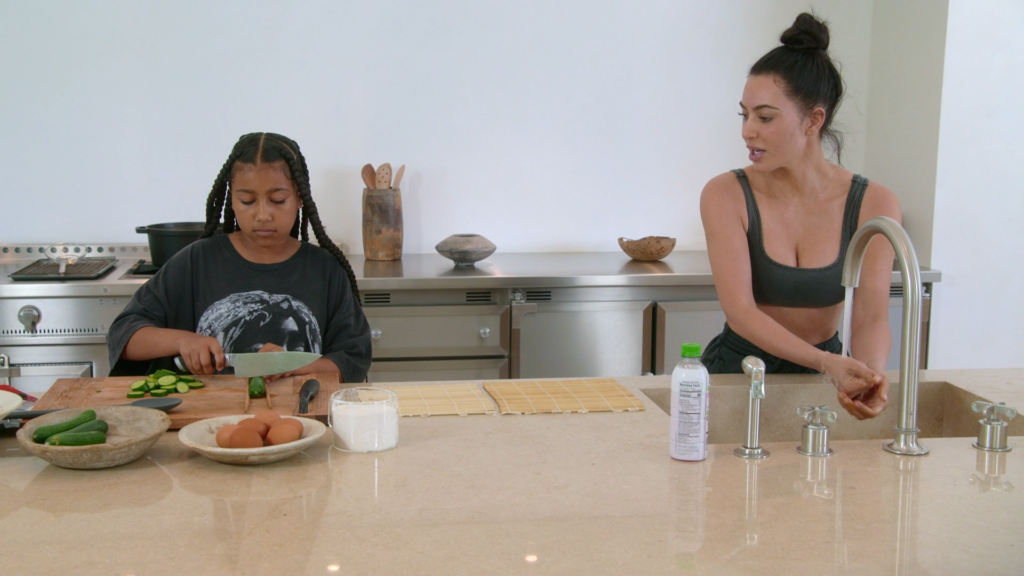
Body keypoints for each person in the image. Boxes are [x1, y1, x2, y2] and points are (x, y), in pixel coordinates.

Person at [699, 13, 899, 420]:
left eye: (765, 117)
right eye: (745, 115)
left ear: (814, 120)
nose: (747, 131)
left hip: (823, 386)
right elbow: (741, 311)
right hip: (738, 376)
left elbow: (873, 314)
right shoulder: (725, 194)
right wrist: (828, 363)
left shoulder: (874, 203)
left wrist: (870, 375)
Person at [107, 132, 372, 383]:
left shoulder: (324, 270)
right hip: (205, 424)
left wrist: (293, 365)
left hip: (303, 421)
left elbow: (352, 360)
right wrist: (182, 341)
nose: (263, 214)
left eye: (278, 200)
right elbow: (124, 336)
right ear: (232, 199)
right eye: (247, 200)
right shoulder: (195, 262)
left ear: (299, 198)